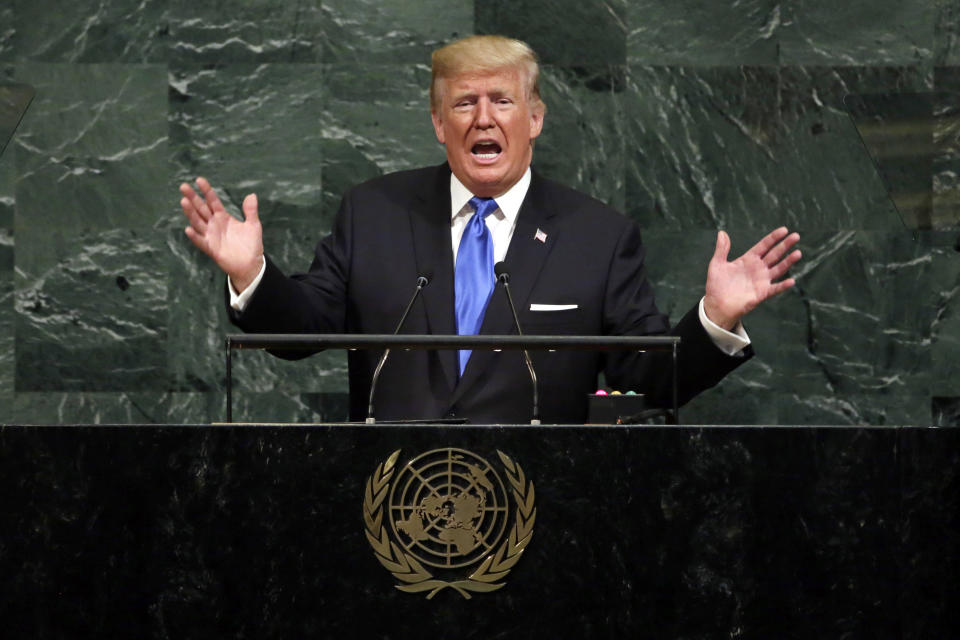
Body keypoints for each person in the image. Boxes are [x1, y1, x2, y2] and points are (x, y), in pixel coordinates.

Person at [179, 35, 801, 424]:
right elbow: (302, 332)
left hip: (546, 511)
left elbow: (645, 378)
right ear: (437, 122)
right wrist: (251, 275)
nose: (483, 119)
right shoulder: (374, 213)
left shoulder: (598, 235)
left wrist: (713, 319)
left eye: (502, 101)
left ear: (534, 119)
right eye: (463, 103)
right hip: (391, 505)